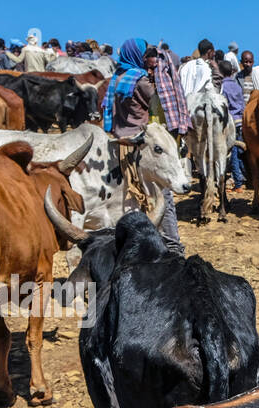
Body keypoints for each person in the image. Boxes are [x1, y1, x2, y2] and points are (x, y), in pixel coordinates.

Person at [104, 39, 183, 253]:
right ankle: (173, 245)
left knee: (127, 199)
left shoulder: (117, 77)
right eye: (143, 52)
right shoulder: (140, 80)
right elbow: (159, 103)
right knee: (162, 194)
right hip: (142, 146)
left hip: (120, 145)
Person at [217, 59, 246, 191]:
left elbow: (223, 105)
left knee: (233, 152)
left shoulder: (223, 87)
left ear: (221, 72)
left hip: (231, 122)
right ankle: (245, 176)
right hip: (240, 119)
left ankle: (238, 182)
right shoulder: (237, 86)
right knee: (240, 151)